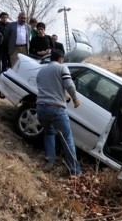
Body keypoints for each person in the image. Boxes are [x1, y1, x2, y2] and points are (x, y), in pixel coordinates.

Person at [36, 49, 82, 177]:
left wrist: (62, 95)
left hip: (40, 108)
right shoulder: (62, 68)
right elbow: (69, 85)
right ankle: (75, 171)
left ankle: (51, 160)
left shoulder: (41, 71)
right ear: (61, 59)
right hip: (56, 109)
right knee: (67, 139)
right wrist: (75, 98)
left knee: (49, 133)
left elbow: (44, 87)